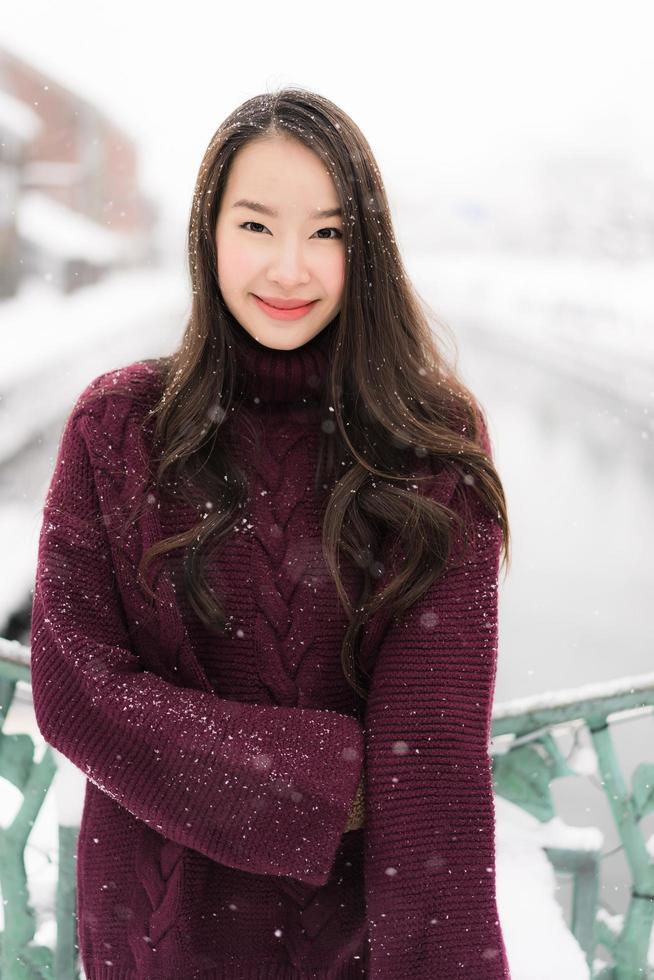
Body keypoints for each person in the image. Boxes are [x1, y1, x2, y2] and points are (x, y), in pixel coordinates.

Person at [30, 87, 512, 979]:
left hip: (346, 949)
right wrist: (327, 783)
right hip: (147, 931)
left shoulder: (429, 449)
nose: (289, 268)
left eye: (328, 233)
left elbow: (431, 762)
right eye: (256, 226)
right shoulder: (116, 427)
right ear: (208, 234)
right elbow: (76, 688)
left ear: (365, 252)